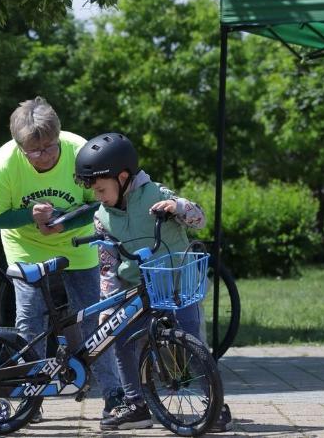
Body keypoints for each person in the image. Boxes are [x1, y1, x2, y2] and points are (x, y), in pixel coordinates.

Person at [74, 132, 232, 431]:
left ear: (122, 177)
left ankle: (214, 403)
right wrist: (110, 303)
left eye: (101, 189)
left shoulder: (155, 194)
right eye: (94, 191)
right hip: (137, 292)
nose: (98, 196)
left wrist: (178, 207)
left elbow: (199, 218)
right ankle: (135, 405)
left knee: (192, 343)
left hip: (178, 286)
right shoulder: (102, 216)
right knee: (122, 340)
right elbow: (108, 266)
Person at [0, 97, 123, 422]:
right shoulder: (3, 163)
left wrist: (63, 221)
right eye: (35, 150)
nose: (44, 156)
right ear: (21, 147)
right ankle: (31, 397)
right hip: (25, 247)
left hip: (76, 244)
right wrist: (30, 217)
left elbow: (97, 204)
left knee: (92, 319)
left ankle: (114, 396)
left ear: (59, 137)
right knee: (30, 321)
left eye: (50, 147)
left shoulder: (79, 151)